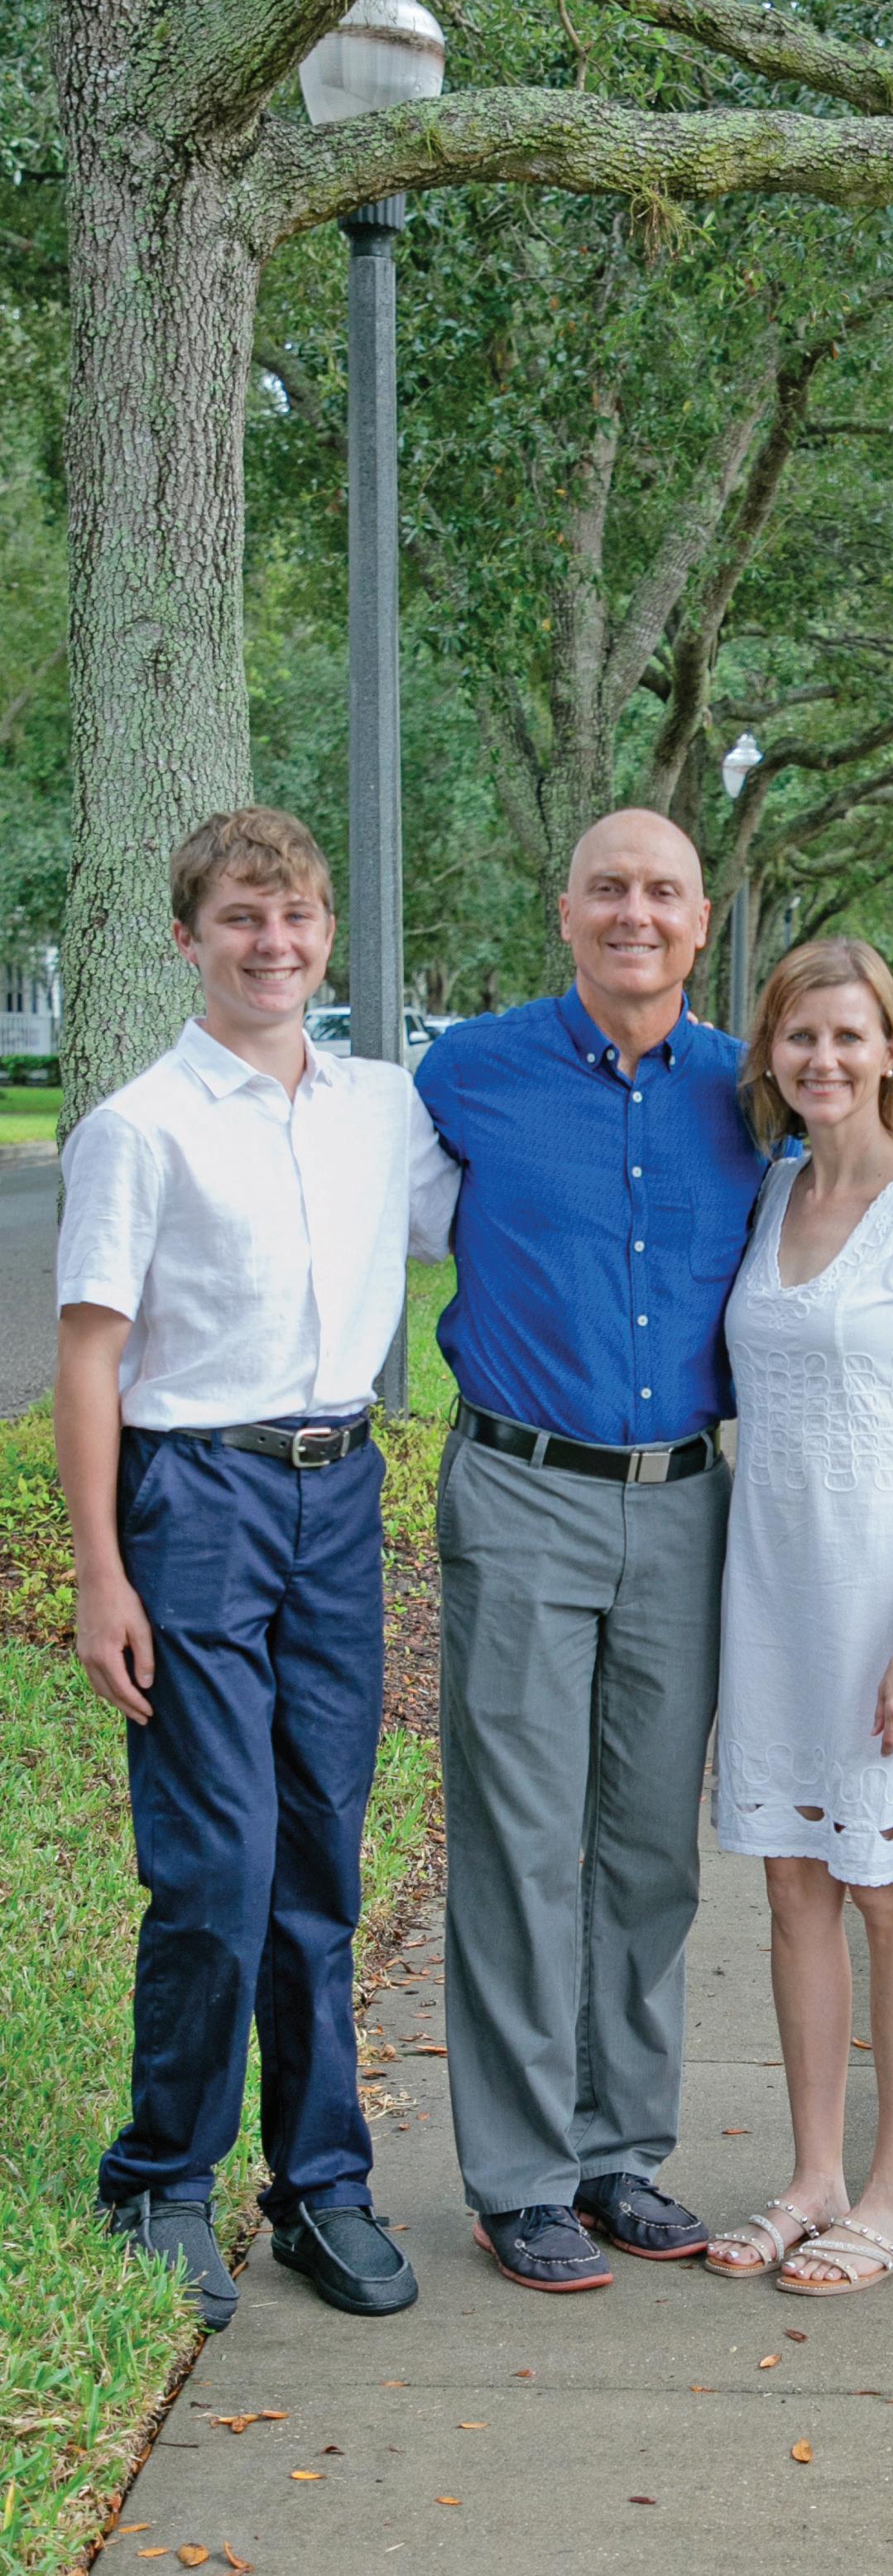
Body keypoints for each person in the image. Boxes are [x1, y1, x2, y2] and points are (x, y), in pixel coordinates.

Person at [56, 808, 459, 2327]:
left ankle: (320, 2185)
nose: (272, 943)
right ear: (188, 938)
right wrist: (103, 1575)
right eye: (240, 917)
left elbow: (492, 1223)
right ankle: (161, 2175)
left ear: (327, 934)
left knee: (318, 1856)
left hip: (338, 1494)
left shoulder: (383, 1108)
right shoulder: (141, 1125)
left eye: (294, 917)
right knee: (217, 1860)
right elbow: (90, 1360)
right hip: (197, 1501)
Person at [415, 810, 768, 2292]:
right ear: (564, 912)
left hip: (686, 1501)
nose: (636, 912)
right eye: (609, 888)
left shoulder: (750, 1091)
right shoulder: (466, 1071)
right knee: (517, 1840)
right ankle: (519, 2177)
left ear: (701, 922)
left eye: (663, 892)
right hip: (522, 1489)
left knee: (646, 1844)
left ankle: (619, 2147)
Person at [706, 940, 893, 2295]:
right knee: (792, 1882)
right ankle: (814, 2173)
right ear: (770, 1053)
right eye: (798, 1035)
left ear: (891, 1050)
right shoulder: (767, 1193)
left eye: (848, 1034)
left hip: (889, 1597)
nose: (823, 1058)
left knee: (889, 1887)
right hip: (774, 1591)